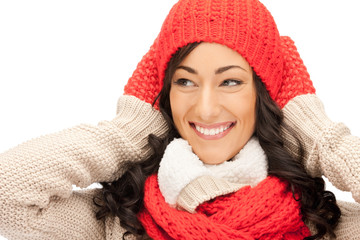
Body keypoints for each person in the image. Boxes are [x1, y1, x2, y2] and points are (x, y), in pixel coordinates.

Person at [0, 0, 359, 239]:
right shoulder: (116, 222)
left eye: (230, 81)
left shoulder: (322, 225)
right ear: (164, 95)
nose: (204, 109)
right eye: (184, 81)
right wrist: (130, 132)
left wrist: (315, 133)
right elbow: (6, 194)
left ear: (264, 95)